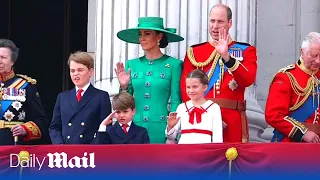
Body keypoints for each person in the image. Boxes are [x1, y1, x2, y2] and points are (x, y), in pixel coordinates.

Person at [180, 4, 257, 143]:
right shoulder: (195, 52)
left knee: (230, 161)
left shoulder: (246, 50)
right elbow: (186, 89)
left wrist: (227, 57)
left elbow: (248, 79)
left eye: (220, 21)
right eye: (212, 21)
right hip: (201, 118)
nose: (215, 26)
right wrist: (208, 117)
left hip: (231, 119)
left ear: (230, 23)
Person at [114, 17, 184, 143]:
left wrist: (173, 131)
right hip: (135, 126)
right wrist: (124, 87)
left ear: (159, 37)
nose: (142, 38)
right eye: (140, 34)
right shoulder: (132, 64)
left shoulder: (174, 65)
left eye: (147, 34)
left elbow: (176, 100)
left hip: (161, 126)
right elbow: (126, 103)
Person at [265, 32, 320, 143]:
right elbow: (273, 115)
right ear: (302, 52)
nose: (318, 61)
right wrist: (302, 133)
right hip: (291, 143)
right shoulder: (286, 77)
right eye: (314, 55)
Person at [49, 51, 111, 144]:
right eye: (72, 71)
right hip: (65, 152)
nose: (75, 74)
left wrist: (93, 148)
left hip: (89, 153)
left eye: (80, 70)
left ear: (91, 72)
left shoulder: (101, 97)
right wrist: (59, 145)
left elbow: (105, 128)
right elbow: (54, 127)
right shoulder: (62, 97)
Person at [0, 39, 49, 145]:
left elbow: (41, 121)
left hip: (12, 146)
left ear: (12, 61)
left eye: (3, 58)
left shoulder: (25, 85)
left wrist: (25, 129)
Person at [166, 69, 223, 144]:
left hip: (204, 151)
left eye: (195, 87)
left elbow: (218, 138)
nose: (191, 90)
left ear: (205, 87)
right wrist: (170, 127)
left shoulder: (214, 108)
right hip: (184, 151)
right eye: (188, 87)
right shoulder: (182, 107)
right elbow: (171, 137)